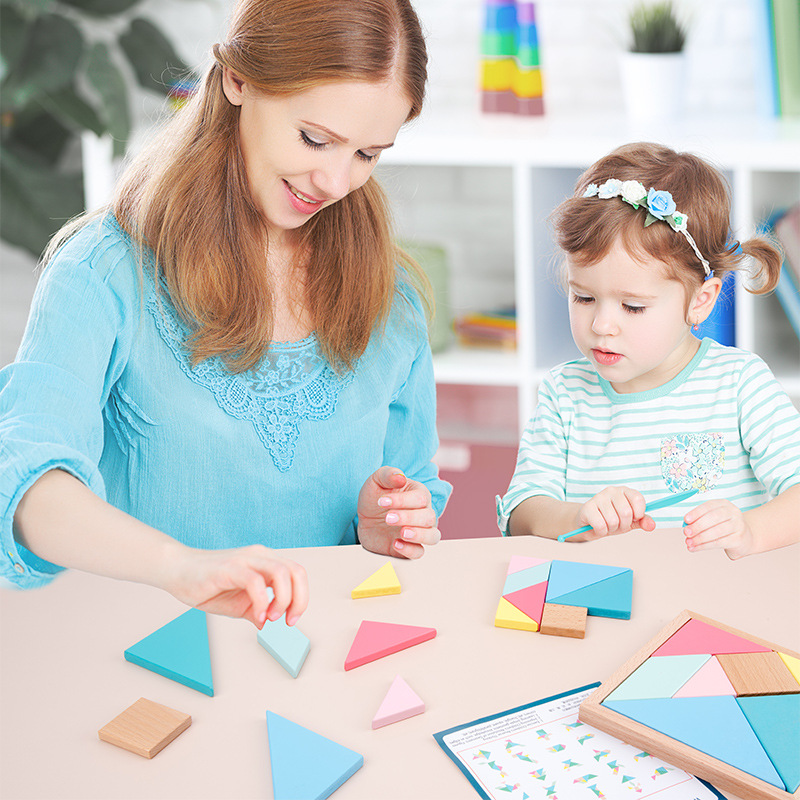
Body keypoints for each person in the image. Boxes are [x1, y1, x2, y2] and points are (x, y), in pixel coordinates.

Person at [0, 0, 451, 627]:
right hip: (150, 660)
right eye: (315, 138)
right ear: (238, 80)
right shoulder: (104, 272)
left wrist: (387, 521)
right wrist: (181, 567)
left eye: (368, 154)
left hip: (326, 661)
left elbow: (412, 489)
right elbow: (27, 486)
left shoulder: (389, 294)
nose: (336, 181)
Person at [497, 142, 800, 559]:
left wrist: (750, 530)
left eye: (632, 306)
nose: (602, 325)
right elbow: (520, 512)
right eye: (583, 298)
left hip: (716, 607)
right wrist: (577, 518)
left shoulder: (739, 383)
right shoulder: (564, 393)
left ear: (700, 301)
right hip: (599, 603)